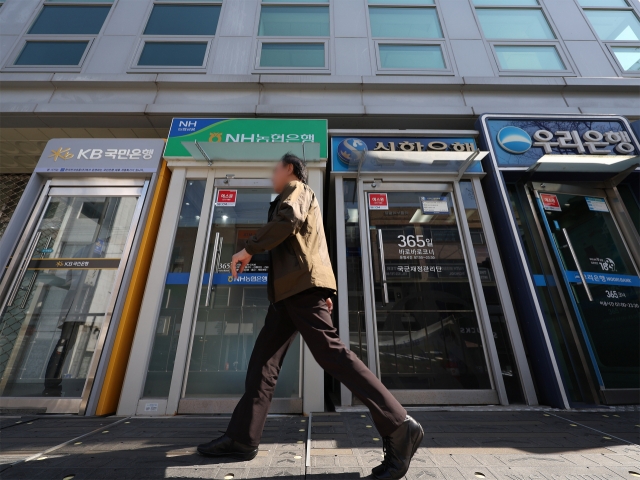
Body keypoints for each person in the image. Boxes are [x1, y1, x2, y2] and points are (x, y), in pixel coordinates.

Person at [197, 154, 423, 479]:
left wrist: (249, 248)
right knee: (263, 363)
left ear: (289, 169)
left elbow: (288, 223)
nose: (272, 175)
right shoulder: (296, 196)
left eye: (274, 169)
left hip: (300, 289)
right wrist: (327, 291)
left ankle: (400, 426)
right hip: (290, 293)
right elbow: (314, 244)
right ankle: (242, 438)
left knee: (332, 354)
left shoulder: (297, 189)